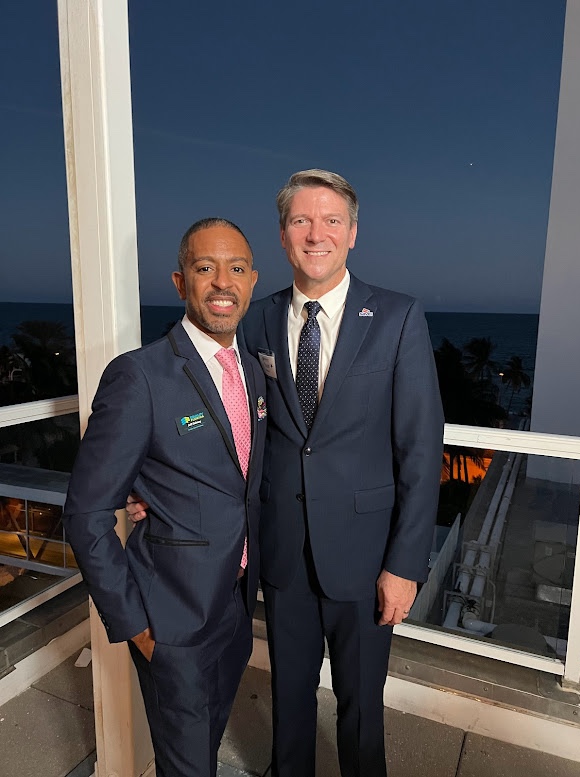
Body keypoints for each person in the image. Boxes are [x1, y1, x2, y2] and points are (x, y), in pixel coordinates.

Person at [130, 170, 444, 777]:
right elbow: (211, 409)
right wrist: (149, 480)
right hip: (281, 554)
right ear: (282, 235)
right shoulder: (256, 317)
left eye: (331, 221)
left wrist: (405, 566)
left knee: (360, 709)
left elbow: (421, 450)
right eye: (301, 220)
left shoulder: (400, 318)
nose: (315, 233)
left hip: (365, 554)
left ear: (353, 233)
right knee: (288, 699)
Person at [63, 218, 266, 777]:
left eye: (236, 269)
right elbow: (85, 514)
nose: (222, 282)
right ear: (180, 282)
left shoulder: (252, 374)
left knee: (205, 744)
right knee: (185, 765)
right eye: (205, 268)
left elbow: (238, 479)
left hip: (234, 604)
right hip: (171, 621)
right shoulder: (140, 376)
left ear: (253, 281)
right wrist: (135, 626)